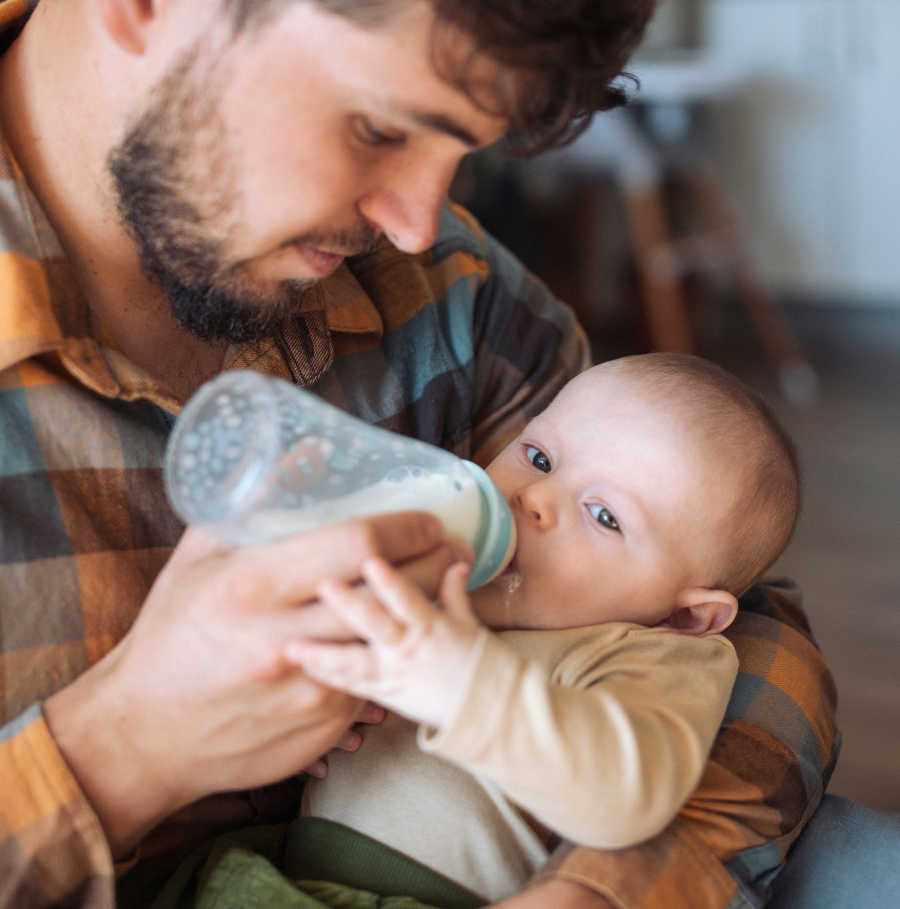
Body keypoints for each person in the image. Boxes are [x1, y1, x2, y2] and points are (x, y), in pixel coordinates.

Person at [0, 0, 836, 908]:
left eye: (461, 150)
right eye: (379, 127)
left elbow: (736, 634)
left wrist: (609, 894)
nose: (416, 221)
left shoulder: (453, 299)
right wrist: (122, 752)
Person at [289, 354, 797, 903]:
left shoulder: (653, 652)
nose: (533, 498)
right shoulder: (429, 571)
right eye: (539, 457)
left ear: (688, 615)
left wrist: (462, 689)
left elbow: (628, 796)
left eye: (604, 516)